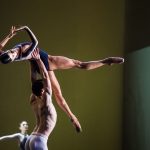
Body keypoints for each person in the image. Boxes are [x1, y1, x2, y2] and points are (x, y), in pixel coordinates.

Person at [25, 49, 78, 150]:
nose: (47, 87)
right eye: (44, 88)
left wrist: (31, 60)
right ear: (42, 91)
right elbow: (45, 76)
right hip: (39, 140)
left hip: (32, 138)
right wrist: (39, 60)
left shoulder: (34, 97)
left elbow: (33, 79)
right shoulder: (45, 98)